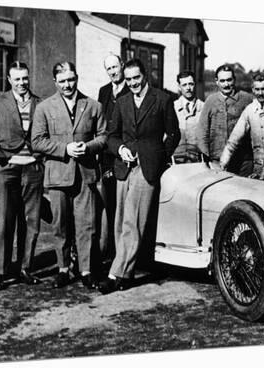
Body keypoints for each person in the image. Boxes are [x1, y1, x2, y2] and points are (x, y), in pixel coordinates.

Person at [99, 59, 180, 294]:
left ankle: (117, 273)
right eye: (129, 79)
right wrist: (120, 149)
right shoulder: (122, 102)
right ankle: (126, 269)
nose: (133, 83)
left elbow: (173, 135)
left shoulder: (162, 99)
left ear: (145, 76)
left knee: (132, 221)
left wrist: (158, 157)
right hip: (124, 167)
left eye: (137, 77)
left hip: (147, 169)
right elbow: (111, 136)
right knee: (120, 220)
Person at [32, 61, 107, 289]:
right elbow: (37, 141)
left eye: (71, 79)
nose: (67, 85)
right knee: (60, 226)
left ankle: (85, 270)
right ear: (55, 82)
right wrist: (64, 148)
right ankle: (63, 269)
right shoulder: (44, 107)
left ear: (77, 78)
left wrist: (89, 147)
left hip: (85, 175)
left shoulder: (93, 105)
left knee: (87, 225)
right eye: (62, 81)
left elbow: (104, 136)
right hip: (58, 175)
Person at [0, 61, 44, 291]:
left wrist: (40, 161)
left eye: (25, 78)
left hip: (32, 170)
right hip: (6, 169)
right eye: (17, 79)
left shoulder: (39, 103)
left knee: (31, 222)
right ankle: (0, 273)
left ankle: (25, 268)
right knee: (3, 221)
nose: (22, 83)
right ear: (9, 79)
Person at [97, 54, 131, 264]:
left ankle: (125, 252)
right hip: (107, 157)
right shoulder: (104, 92)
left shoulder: (132, 90)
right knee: (109, 205)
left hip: (125, 154)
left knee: (125, 207)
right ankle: (110, 251)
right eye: (108, 68)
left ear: (122, 66)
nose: (112, 71)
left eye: (115, 67)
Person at [219, 73, 264, 179]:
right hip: (259, 167)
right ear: (253, 90)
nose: (260, 93)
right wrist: (223, 163)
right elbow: (233, 140)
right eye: (257, 89)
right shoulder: (250, 110)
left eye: (263, 89)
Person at [197, 64, 253, 175]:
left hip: (243, 160)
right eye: (222, 81)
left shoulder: (247, 99)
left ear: (234, 80)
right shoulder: (211, 101)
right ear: (216, 82)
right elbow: (202, 131)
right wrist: (207, 156)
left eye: (229, 80)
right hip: (217, 160)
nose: (226, 84)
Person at [173, 70, 204, 152]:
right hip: (177, 157)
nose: (188, 88)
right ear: (179, 87)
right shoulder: (172, 107)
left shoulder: (204, 107)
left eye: (191, 84)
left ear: (195, 84)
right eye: (184, 85)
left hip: (198, 157)